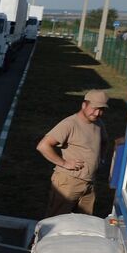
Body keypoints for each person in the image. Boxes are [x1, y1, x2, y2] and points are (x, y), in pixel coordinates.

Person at [37, 89, 110, 218]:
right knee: (55, 221)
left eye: (101, 109)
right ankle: (38, 239)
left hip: (89, 184)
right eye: (94, 108)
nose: (98, 113)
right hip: (69, 182)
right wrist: (64, 163)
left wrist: (101, 159)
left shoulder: (98, 124)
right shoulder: (70, 124)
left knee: (83, 224)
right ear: (84, 105)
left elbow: (104, 142)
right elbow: (43, 146)